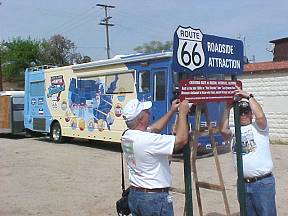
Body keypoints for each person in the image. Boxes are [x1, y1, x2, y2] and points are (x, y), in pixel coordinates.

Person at [121, 98, 189, 216]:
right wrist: (182, 113)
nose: (149, 113)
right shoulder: (147, 141)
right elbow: (181, 140)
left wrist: (172, 111)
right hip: (154, 199)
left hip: (136, 195)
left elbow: (155, 128)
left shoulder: (127, 135)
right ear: (140, 119)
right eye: (146, 111)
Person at [220, 86, 277, 216]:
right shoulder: (234, 130)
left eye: (247, 112)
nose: (244, 115)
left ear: (251, 114)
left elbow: (261, 116)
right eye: (241, 112)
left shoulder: (259, 128)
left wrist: (248, 97)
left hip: (262, 184)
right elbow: (223, 130)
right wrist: (227, 108)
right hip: (243, 184)